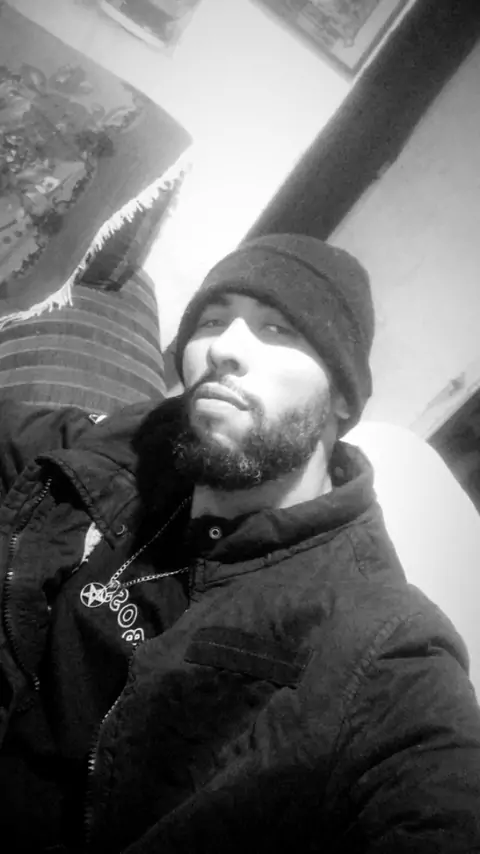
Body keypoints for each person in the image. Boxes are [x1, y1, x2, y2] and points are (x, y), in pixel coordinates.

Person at [0, 234, 479, 853]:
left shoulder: (379, 642)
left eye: (278, 329)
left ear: (342, 396)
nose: (224, 349)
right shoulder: (149, 441)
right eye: (212, 321)